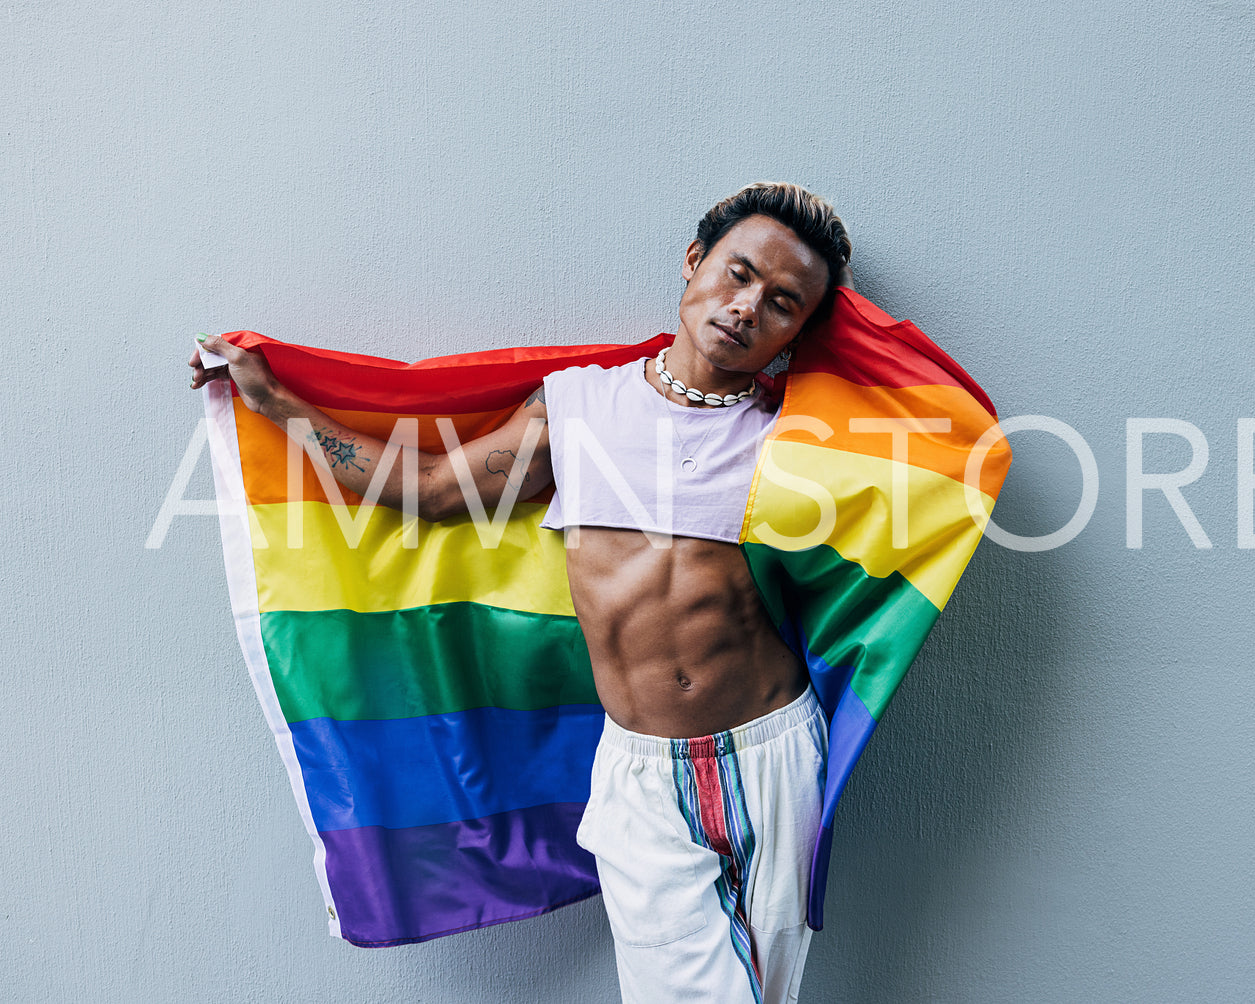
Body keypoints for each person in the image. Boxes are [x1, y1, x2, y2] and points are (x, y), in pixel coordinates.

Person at [190, 182, 855, 1003]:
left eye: (782, 303)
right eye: (737, 273)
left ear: (799, 330)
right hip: (642, 772)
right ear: (693, 263)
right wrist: (273, 401)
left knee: (769, 991)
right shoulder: (579, 408)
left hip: (773, 751)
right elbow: (432, 490)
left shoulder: (799, 440)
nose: (747, 306)